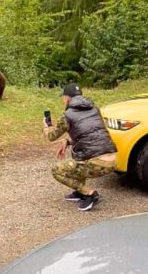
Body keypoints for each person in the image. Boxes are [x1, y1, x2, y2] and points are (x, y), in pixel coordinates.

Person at [43, 83, 117, 211]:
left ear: (67, 98)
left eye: (63, 97)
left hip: (97, 163)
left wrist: (45, 125)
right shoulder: (95, 109)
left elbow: (51, 136)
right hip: (113, 160)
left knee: (56, 170)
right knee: (78, 156)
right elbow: (92, 133)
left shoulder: (67, 115)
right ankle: (79, 192)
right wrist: (68, 141)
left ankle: (90, 193)